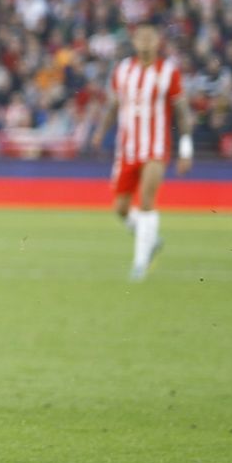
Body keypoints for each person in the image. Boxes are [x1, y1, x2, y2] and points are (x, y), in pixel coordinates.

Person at [92, 21, 192, 280]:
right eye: (141, 37)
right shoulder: (123, 70)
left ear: (158, 41)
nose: (146, 41)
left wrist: (186, 148)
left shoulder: (168, 71)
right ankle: (150, 240)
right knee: (121, 208)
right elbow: (113, 105)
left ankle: (140, 264)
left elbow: (182, 111)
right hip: (127, 149)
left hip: (155, 148)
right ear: (135, 42)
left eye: (150, 37)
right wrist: (101, 132)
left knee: (147, 201)